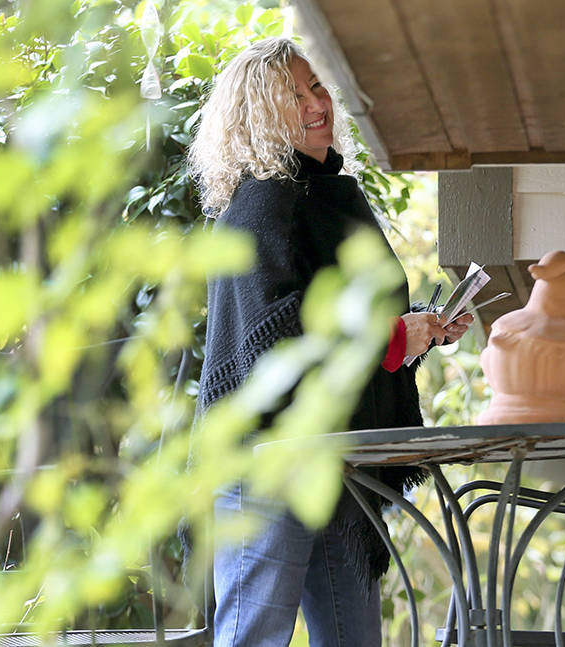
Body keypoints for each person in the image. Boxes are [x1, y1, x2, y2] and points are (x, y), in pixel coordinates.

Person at [188, 38, 471, 647]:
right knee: (254, 637)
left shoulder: (335, 196)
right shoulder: (264, 200)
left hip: (339, 464)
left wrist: (420, 330)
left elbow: (355, 328)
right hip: (267, 460)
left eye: (317, 86)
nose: (317, 103)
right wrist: (394, 335)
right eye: (294, 95)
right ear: (259, 115)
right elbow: (275, 340)